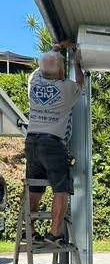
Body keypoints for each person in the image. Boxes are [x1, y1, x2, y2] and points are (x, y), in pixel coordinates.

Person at [25, 42, 84, 245]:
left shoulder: (33, 82)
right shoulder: (67, 89)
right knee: (61, 189)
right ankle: (55, 233)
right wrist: (76, 64)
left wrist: (55, 49)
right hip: (52, 144)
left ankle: (30, 231)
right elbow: (81, 83)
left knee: (34, 187)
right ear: (60, 69)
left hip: (31, 141)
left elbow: (40, 69)